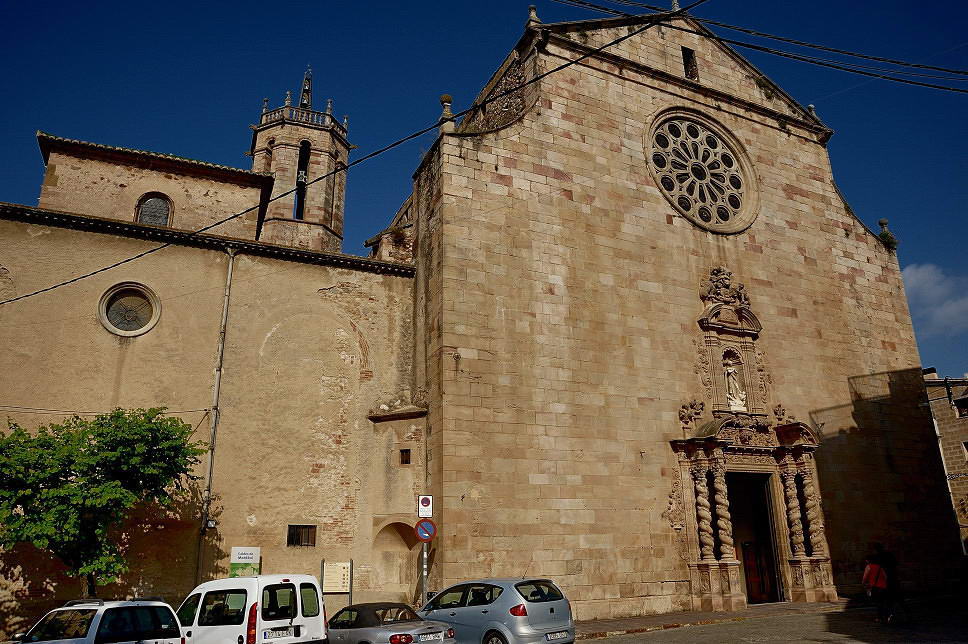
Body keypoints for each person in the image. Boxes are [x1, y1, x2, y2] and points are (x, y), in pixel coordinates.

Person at [862, 554, 890, 622]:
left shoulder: (869, 566)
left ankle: (879, 617)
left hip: (875, 587)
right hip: (883, 587)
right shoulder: (880, 567)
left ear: (868, 560)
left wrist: (863, 583)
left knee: (878, 603)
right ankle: (886, 616)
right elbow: (886, 577)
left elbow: (865, 577)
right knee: (883, 602)